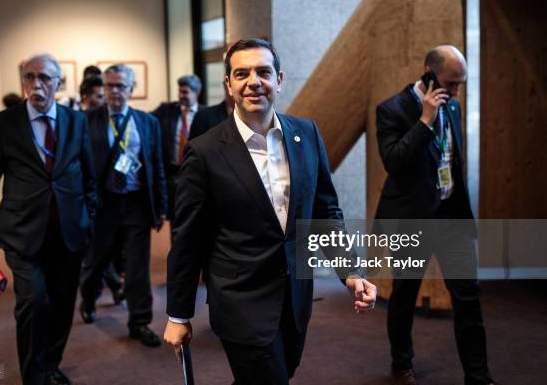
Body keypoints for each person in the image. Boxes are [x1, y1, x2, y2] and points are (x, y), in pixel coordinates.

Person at [164, 38, 377, 384]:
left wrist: (350, 272)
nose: (253, 81)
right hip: (240, 303)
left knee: (277, 374)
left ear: (278, 79)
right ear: (229, 84)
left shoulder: (306, 133)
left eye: (263, 72)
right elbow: (189, 238)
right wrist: (178, 313)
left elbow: (325, 211)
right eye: (241, 73)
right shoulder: (204, 152)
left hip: (295, 299)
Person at [0, 54, 96, 385]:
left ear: (58, 83)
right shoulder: (3, 124)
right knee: (34, 301)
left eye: (43, 77)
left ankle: (51, 362)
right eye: (29, 77)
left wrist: (89, 220)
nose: (35, 84)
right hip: (22, 233)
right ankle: (34, 376)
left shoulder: (76, 121)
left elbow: (89, 178)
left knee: (63, 301)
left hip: (69, 233)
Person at [375, 45, 494, 385]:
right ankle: (401, 363)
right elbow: (394, 162)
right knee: (405, 294)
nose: (456, 91)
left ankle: (479, 376)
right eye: (450, 83)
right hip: (411, 219)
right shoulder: (392, 109)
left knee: (468, 297)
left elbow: (450, 162)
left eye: (460, 84)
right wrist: (425, 121)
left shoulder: (453, 107)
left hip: (449, 217)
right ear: (428, 73)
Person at [79, 64, 167, 347]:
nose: (115, 91)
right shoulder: (86, 121)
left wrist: (160, 206)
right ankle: (89, 297)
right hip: (102, 205)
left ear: (131, 89)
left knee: (138, 267)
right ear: (103, 88)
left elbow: (157, 167)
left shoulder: (148, 122)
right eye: (110, 85)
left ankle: (139, 322)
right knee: (95, 263)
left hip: (136, 204)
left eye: (120, 86)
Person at [152, 74, 203, 224]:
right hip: (173, 174)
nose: (181, 96)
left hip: (196, 175)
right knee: (175, 219)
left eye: (185, 92)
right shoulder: (166, 110)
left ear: (197, 92)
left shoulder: (205, 114)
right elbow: (146, 121)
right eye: (180, 91)